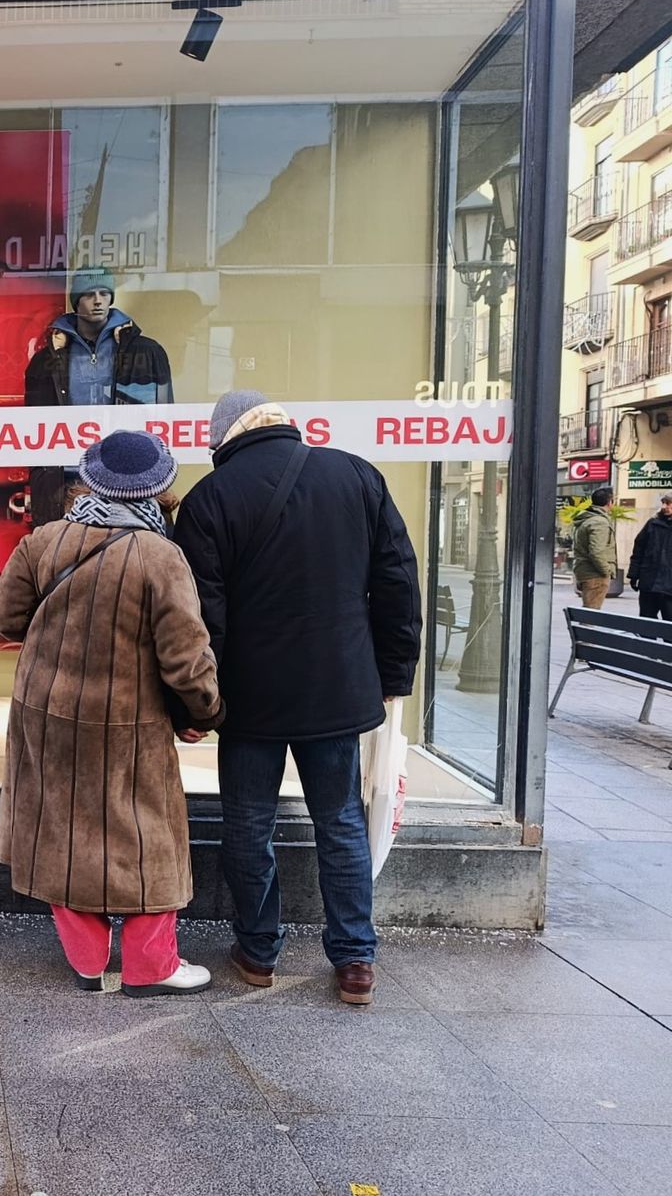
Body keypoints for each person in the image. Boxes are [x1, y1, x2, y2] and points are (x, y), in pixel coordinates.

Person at [173, 390, 421, 1007]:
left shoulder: (209, 498)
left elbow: (206, 618)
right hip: (336, 687)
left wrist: (197, 703)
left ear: (226, 439)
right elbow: (396, 581)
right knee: (339, 820)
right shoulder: (356, 475)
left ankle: (258, 950)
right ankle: (355, 960)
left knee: (248, 823)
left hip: (249, 697)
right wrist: (395, 672)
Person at [0, 430, 223, 997]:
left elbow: (1, 616)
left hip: (45, 714)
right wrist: (205, 712)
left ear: (88, 481)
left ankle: (88, 959)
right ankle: (149, 966)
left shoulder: (44, 542)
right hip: (130, 724)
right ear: (160, 490)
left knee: (60, 830)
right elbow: (186, 659)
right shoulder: (162, 557)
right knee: (149, 838)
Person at [24, 267, 173, 525]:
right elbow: (34, 428)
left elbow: (163, 419)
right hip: (67, 479)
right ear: (76, 301)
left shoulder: (146, 352)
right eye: (89, 294)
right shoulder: (46, 360)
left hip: (127, 474)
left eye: (104, 293)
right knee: (68, 554)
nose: (98, 301)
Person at [571, 487, 618, 611]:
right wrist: (606, 571)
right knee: (591, 613)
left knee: (589, 610)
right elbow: (596, 551)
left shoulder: (586, 519)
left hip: (584, 571)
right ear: (610, 503)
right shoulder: (599, 522)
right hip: (594, 574)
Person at [629, 493, 672, 620]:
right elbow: (638, 550)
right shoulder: (652, 524)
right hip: (649, 584)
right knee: (646, 623)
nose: (664, 506)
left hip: (669, 588)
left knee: (669, 629)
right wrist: (633, 575)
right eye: (663, 503)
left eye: (668, 503)